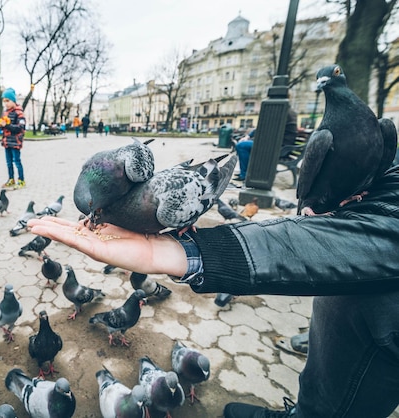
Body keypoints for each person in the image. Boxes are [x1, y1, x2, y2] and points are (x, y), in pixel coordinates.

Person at [28, 165, 399, 418]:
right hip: (352, 304)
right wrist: (354, 202)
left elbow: (378, 245)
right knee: (327, 378)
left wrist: (190, 251)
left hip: (382, 319)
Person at [235, 106, 297, 182]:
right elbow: (265, 126)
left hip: (279, 148)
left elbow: (265, 126)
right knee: (243, 144)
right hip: (277, 145)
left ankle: (245, 174)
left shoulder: (282, 110)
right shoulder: (286, 109)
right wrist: (249, 136)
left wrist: (250, 137)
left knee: (242, 146)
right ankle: (246, 173)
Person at [0, 87, 26, 189]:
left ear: (13, 100)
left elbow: (20, 127)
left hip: (15, 142)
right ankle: (11, 179)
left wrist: (7, 125)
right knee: (9, 162)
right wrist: (1, 125)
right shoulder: (5, 112)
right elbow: (4, 127)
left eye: (8, 101)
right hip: (7, 142)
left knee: (17, 162)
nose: (6, 103)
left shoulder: (19, 112)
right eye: (4, 101)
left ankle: (21, 180)